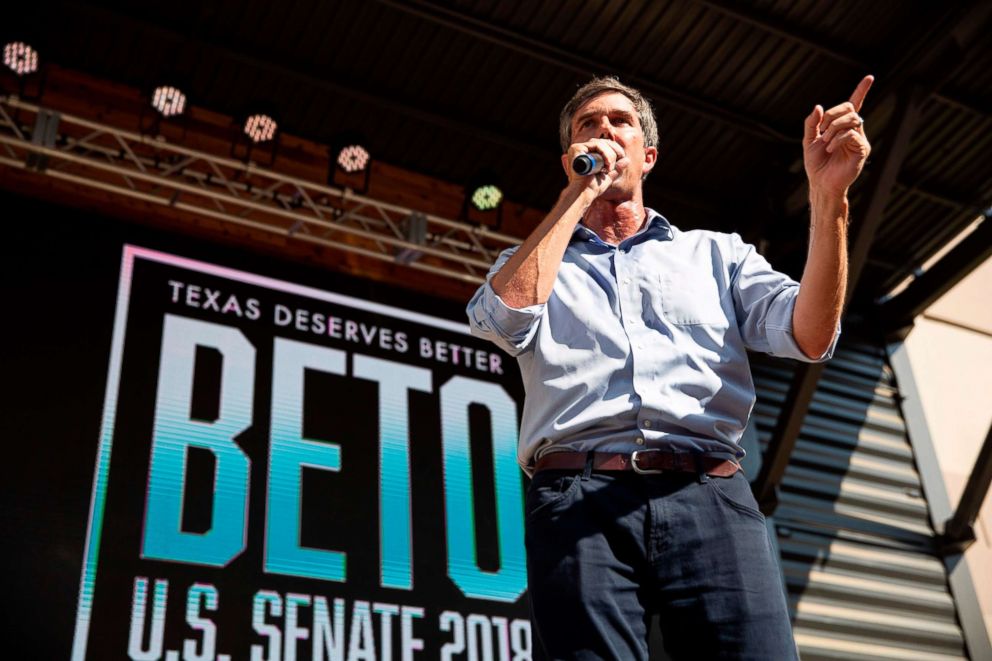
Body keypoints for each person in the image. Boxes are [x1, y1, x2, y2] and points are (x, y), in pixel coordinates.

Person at [466, 75, 873, 659]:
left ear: (648, 156)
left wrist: (829, 197)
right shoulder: (535, 261)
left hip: (710, 494)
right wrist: (579, 194)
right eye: (588, 125)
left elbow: (811, 336)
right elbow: (502, 318)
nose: (604, 129)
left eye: (619, 121)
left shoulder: (715, 253)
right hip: (579, 496)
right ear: (569, 157)